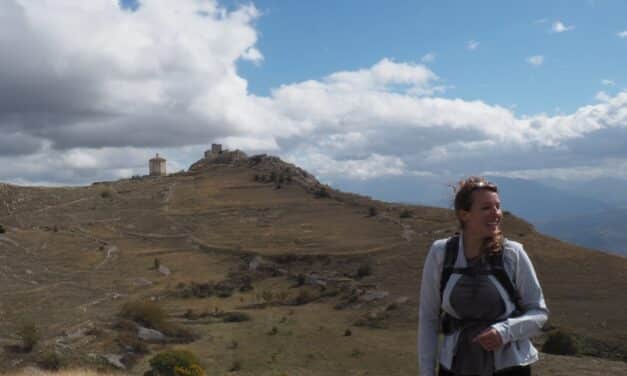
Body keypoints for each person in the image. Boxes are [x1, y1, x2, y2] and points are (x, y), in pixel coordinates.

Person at [418, 176, 548, 376]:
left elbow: (539, 313)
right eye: (486, 208)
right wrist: (426, 372)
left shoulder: (513, 254)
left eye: (497, 206)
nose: (496, 214)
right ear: (465, 214)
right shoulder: (441, 253)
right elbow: (429, 319)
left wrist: (504, 332)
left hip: (509, 369)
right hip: (454, 366)